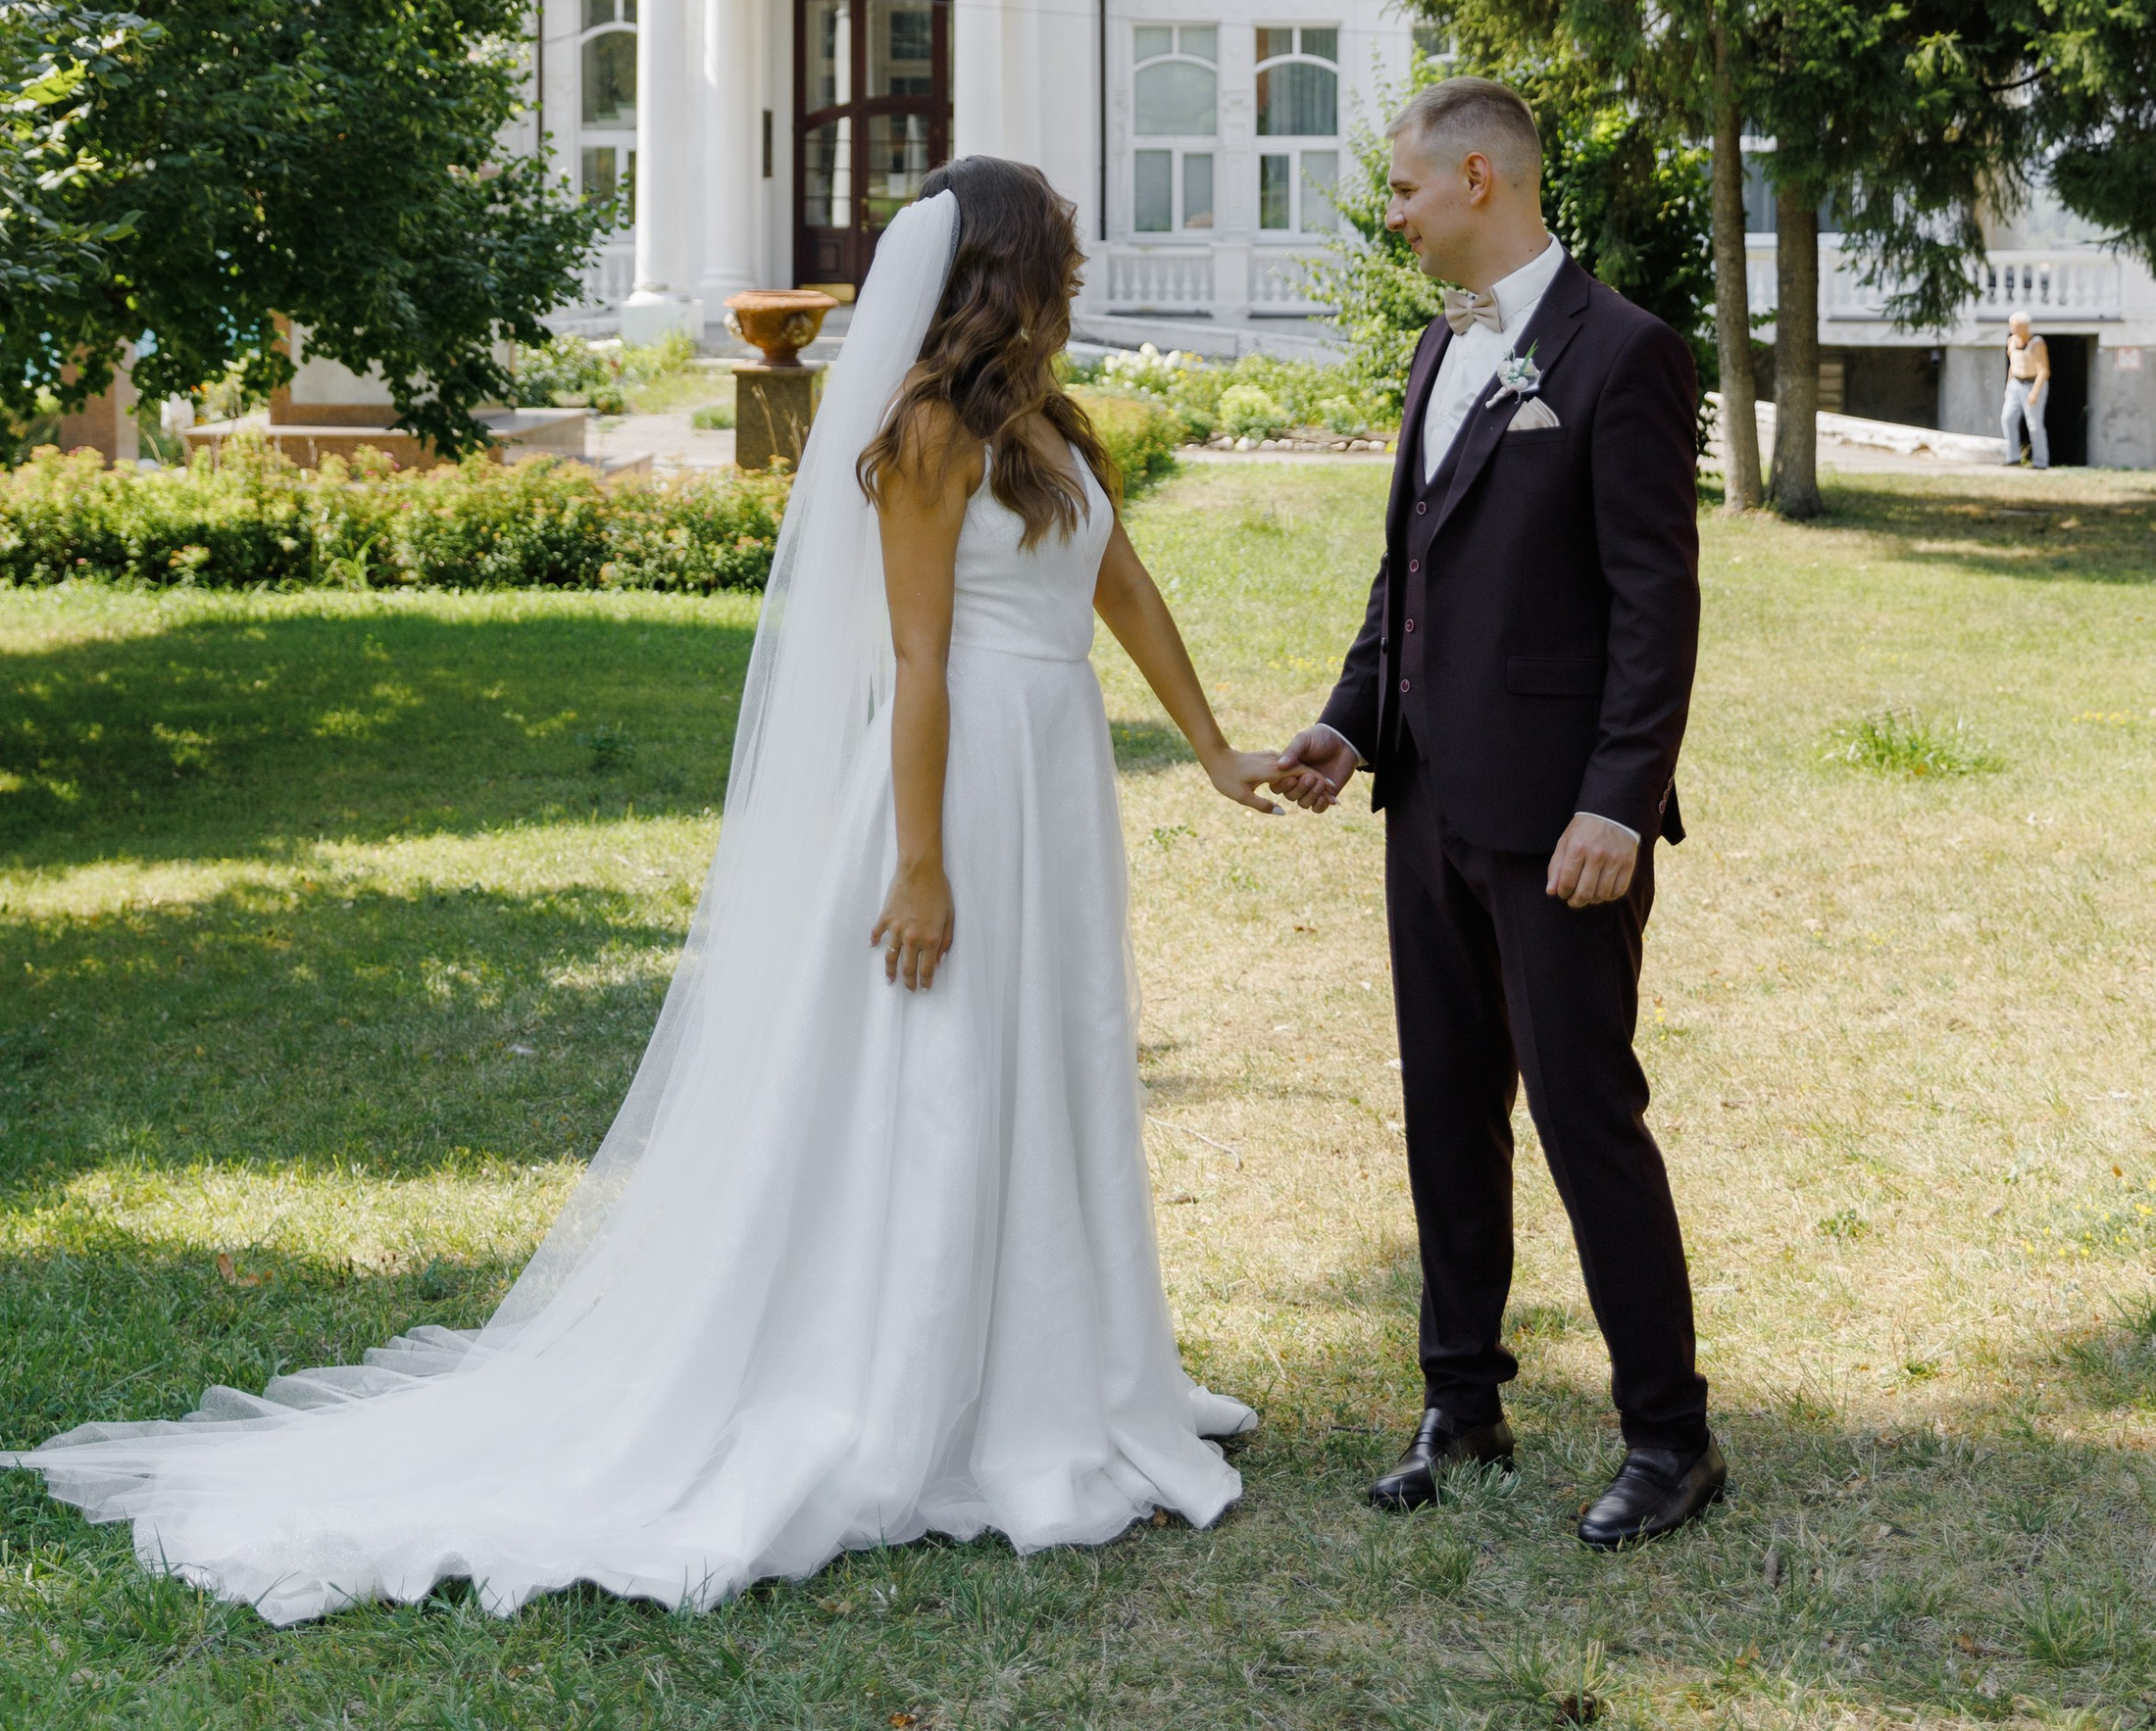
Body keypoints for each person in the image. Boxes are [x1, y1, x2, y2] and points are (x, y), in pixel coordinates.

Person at [5, 161, 1284, 1618]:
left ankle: (1063, 1361)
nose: (1077, 256)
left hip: (1055, 775)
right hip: (961, 773)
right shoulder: (928, 431)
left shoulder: (1053, 423)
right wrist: (919, 862)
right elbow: (919, 659)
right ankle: (924, 1379)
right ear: (1009, 266)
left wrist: (1211, 746)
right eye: (1059, 242)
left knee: (1052, 1051)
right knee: (942, 1062)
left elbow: (1121, 588)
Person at [1270, 80, 1722, 1551]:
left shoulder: (1626, 355)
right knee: (1444, 1112)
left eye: (1403, 191)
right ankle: (1461, 1399)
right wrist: (1352, 718)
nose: (1391, 216)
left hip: (1561, 828)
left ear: (1479, 177)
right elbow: (1409, 579)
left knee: (1589, 1116)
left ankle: (1671, 1435)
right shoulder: (1435, 349)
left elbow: (1658, 606)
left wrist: (1621, 800)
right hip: (1431, 812)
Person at [2002, 315, 2052, 469]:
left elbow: (2044, 370)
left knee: (2034, 424)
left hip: (2033, 384)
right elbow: (2012, 365)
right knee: (2007, 418)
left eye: (2016, 326)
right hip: (2015, 384)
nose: (2013, 329)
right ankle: (2013, 458)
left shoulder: (2036, 344)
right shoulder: (2011, 341)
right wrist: (2008, 386)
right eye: (2012, 326)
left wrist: (2035, 392)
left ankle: (2040, 462)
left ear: (2025, 327)